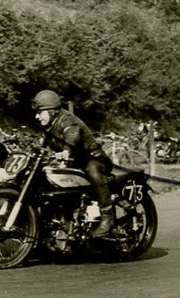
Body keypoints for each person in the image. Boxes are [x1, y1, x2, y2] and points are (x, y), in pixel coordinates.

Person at [31, 89, 117, 237]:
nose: (36, 116)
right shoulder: (48, 126)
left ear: (52, 111)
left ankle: (107, 218)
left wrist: (66, 151)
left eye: (40, 112)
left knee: (94, 172)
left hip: (92, 158)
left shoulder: (67, 120)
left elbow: (72, 136)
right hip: (73, 162)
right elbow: (44, 144)